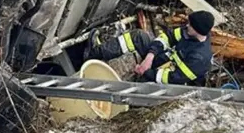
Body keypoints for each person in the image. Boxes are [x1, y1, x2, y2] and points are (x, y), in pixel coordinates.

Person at [86, 11, 215, 85]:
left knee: (143, 85)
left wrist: (146, 72)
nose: (187, 26)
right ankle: (95, 53)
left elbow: (173, 79)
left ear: (199, 30)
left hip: (168, 84)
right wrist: (150, 56)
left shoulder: (199, 58)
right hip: (161, 61)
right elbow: (167, 38)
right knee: (139, 36)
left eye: (191, 25)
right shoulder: (188, 32)